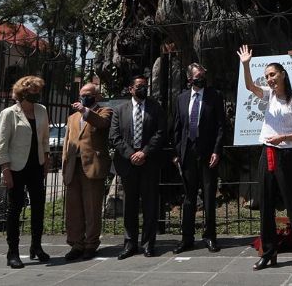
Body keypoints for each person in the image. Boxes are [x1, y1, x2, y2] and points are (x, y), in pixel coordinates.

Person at [236, 44, 292, 275]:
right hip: (267, 152)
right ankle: (268, 252)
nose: (269, 79)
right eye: (267, 76)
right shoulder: (269, 95)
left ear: (283, 75)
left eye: (272, 74)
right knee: (266, 205)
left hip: (286, 155)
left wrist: (284, 137)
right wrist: (246, 64)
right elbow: (250, 86)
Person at [0, 75, 52, 269]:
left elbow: (45, 138)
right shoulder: (9, 113)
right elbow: (1, 144)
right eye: (34, 91)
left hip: (36, 165)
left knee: (38, 208)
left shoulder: (42, 110)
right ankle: (13, 252)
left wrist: (46, 158)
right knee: (14, 209)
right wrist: (5, 169)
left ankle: (36, 246)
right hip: (16, 167)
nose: (37, 94)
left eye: (39, 90)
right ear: (24, 92)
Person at [109, 75, 167, 259]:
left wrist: (145, 152)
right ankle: (130, 243)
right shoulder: (119, 110)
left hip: (149, 162)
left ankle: (149, 244)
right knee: (130, 205)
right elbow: (114, 136)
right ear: (131, 89)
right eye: (139, 86)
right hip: (128, 163)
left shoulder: (155, 107)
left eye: (145, 86)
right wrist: (130, 154)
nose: (143, 89)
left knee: (150, 205)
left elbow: (161, 132)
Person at [173, 63, 226, 254]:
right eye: (198, 76)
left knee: (209, 195)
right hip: (188, 154)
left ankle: (210, 236)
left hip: (208, 153)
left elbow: (221, 126)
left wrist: (216, 150)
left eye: (203, 75)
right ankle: (187, 238)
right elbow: (178, 128)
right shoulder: (181, 98)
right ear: (190, 79)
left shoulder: (214, 96)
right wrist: (177, 153)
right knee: (188, 197)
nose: (201, 78)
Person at [62, 83, 114, 260]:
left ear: (97, 96)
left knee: (92, 208)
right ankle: (76, 244)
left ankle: (91, 245)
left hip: (92, 166)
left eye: (88, 94)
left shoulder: (104, 111)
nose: (84, 97)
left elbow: (102, 124)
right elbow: (67, 143)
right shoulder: (72, 118)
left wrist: (85, 110)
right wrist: (64, 166)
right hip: (73, 167)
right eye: (82, 94)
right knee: (73, 209)